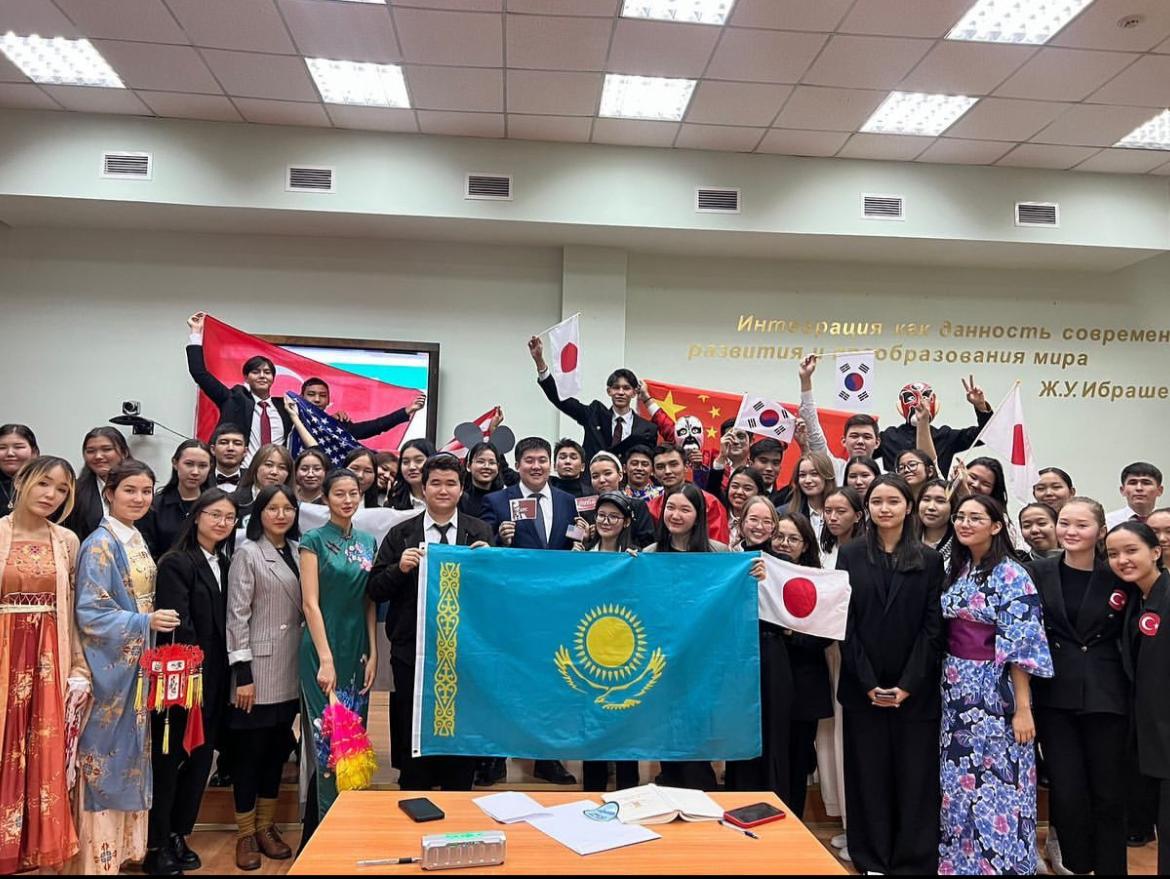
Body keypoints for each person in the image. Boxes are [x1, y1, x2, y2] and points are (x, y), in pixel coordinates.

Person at [68, 461, 181, 876]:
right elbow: (91, 612)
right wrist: (143, 621)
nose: (139, 498)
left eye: (146, 491)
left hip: (136, 662)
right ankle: (93, 859)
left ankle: (118, 854)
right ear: (109, 493)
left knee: (129, 753)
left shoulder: (134, 537)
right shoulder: (100, 543)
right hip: (110, 670)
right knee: (105, 754)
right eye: (129, 490)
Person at [939, 494, 1053, 874]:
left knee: (1001, 780)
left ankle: (1002, 864)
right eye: (960, 517)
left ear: (996, 525)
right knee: (958, 781)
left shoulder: (1012, 574)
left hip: (995, 687)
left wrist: (1023, 708)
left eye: (976, 517)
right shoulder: (956, 568)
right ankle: (960, 862)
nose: (965, 523)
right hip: (955, 687)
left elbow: (1021, 644)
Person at [836, 474, 944, 875]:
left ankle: (913, 860)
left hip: (916, 690)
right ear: (867, 508)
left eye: (893, 501)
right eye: (877, 501)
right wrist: (868, 684)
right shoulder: (850, 554)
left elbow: (933, 629)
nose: (885, 508)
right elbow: (845, 624)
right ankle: (872, 858)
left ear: (908, 507)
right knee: (868, 776)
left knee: (915, 777)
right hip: (862, 687)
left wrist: (906, 685)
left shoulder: (929, 560)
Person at [369, 454, 491, 791]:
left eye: (451, 483)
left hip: (464, 653)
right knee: (413, 726)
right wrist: (399, 569)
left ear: (461, 489)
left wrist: (490, 564)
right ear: (423, 488)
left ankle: (458, 794)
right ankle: (414, 790)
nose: (443, 490)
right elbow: (375, 589)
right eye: (435, 483)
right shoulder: (401, 534)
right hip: (412, 651)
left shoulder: (479, 532)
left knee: (459, 727)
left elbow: (496, 596)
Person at [1027, 497, 1129, 876]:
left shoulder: (1117, 573)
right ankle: (1078, 866)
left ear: (1101, 531)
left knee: (1108, 793)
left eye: (1081, 525)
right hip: (1055, 695)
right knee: (1067, 792)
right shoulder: (1038, 572)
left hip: (1107, 695)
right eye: (1065, 523)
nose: (1070, 531)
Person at [0, 456, 86, 872]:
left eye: (62, 489)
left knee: (41, 748)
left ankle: (31, 847)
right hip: (5, 649)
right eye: (44, 484)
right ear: (21, 482)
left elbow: (73, 609)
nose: (52, 495)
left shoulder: (67, 541)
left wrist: (79, 665)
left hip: (49, 655)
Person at [147, 488, 237, 876]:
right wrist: (195, 673)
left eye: (229, 517)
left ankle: (179, 833)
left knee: (200, 759)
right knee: (170, 760)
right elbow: (178, 626)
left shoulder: (225, 561)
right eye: (215, 514)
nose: (222, 522)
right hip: (183, 678)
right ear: (197, 516)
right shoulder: (176, 562)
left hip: (216, 678)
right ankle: (156, 843)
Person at [479, 437, 578, 785]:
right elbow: (483, 549)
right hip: (511, 609)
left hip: (555, 608)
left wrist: (583, 542)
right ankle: (495, 757)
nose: (536, 466)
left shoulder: (567, 501)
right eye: (529, 461)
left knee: (551, 683)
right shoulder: (497, 501)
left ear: (550, 464)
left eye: (542, 460)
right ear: (518, 465)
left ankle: (546, 757)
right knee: (504, 683)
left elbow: (573, 543)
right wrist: (499, 538)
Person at [298, 469, 378, 845]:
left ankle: (347, 828)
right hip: (321, 648)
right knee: (328, 742)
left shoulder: (368, 542)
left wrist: (373, 652)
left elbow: (369, 602)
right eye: (339, 494)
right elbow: (309, 604)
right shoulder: (313, 540)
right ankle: (323, 838)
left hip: (356, 649)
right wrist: (325, 658)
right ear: (325, 498)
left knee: (353, 743)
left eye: (353, 493)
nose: (347, 500)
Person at [227, 485, 302, 870]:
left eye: (288, 508)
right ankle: (244, 833)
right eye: (273, 508)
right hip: (257, 670)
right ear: (259, 512)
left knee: (276, 751)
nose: (281, 514)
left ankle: (265, 827)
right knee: (250, 754)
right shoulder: (248, 552)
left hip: (291, 668)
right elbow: (237, 615)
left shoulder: (299, 550)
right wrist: (242, 673)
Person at [645, 483, 728, 790]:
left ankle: (700, 792)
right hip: (663, 658)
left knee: (696, 730)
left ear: (698, 515)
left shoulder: (718, 553)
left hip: (702, 660)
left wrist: (754, 573)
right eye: (670, 507)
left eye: (685, 509)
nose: (676, 515)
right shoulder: (650, 554)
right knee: (666, 728)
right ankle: (670, 787)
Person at [566, 491, 643, 791]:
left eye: (614, 517)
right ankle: (593, 790)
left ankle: (630, 792)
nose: (606, 522)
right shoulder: (582, 556)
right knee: (593, 725)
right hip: (589, 651)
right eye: (601, 516)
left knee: (627, 724)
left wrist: (639, 568)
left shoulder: (636, 557)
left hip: (626, 652)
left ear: (626, 522)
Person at [1109, 521, 1170, 874]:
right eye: (1113, 554)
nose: (1122, 560)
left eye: (1131, 551)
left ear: (1156, 552)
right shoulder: (1133, 598)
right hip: (1146, 728)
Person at [528, 337, 657, 462]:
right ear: (609, 391)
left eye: (626, 388)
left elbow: (650, 462)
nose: (621, 392)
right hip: (591, 477)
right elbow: (561, 401)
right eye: (616, 387)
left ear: (634, 393)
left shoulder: (646, 429)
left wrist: (647, 398)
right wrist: (540, 362)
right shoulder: (594, 414)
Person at [186, 313, 290, 461]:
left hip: (276, 471)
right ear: (246, 378)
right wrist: (196, 332)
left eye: (267, 372)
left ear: (273, 378)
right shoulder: (233, 399)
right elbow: (199, 373)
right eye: (256, 372)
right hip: (241, 471)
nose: (262, 376)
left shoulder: (286, 408)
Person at [143, 439, 213, 560]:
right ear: (175, 463)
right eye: (189, 464)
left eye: (202, 466)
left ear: (210, 467)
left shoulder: (215, 504)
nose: (195, 472)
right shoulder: (155, 505)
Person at [645, 445, 730, 544]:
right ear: (653, 472)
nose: (667, 471)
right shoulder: (651, 508)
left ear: (686, 466)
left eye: (673, 464)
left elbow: (719, 549)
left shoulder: (710, 504)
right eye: (660, 467)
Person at [299, 376, 426, 441]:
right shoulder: (290, 417)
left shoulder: (336, 424)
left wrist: (406, 411)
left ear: (328, 401)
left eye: (322, 395)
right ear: (301, 397)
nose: (317, 399)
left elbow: (374, 426)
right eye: (311, 394)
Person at [62, 426, 132, 541]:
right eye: (91, 451)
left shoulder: (140, 487)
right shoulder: (74, 491)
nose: (98, 456)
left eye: (107, 449)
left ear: (124, 452)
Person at [582, 451, 655, 548]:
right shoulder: (585, 507)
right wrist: (584, 538)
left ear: (620, 475)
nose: (602, 480)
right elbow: (570, 534)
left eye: (607, 473)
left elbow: (648, 541)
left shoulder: (637, 505)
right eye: (595, 476)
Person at [231, 442, 294, 526]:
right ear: (256, 466)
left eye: (282, 467)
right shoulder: (233, 501)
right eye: (269, 465)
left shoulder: (294, 505)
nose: (274, 472)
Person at [458, 441, 517, 517]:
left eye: (492, 463)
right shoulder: (459, 499)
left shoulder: (506, 499)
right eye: (480, 462)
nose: (486, 466)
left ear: (498, 467)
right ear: (468, 466)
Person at [787, 452, 836, 538]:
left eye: (814, 474)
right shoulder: (785, 513)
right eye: (802, 475)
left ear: (827, 476)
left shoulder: (843, 512)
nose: (808, 480)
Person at [1106, 461, 1165, 528]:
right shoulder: (1108, 522)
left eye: (1146, 483)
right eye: (1132, 483)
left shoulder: (1167, 521)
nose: (1139, 488)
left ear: (1160, 490)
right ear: (1122, 490)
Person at [819, 486, 863, 569]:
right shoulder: (821, 550)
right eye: (828, 511)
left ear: (857, 516)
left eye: (841, 511)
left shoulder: (867, 552)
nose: (832, 517)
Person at [387, 439, 437, 511]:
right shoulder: (393, 503)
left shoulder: (445, 497)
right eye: (405, 462)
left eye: (419, 460)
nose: (411, 467)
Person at [917, 478, 956, 565]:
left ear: (952, 506)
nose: (931, 507)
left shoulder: (961, 544)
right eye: (926, 499)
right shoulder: (906, 537)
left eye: (940, 501)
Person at [0, 423, 38, 512]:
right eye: (2, 448)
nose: (10, 453)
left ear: (34, 452)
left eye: (19, 447)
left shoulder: (46, 481)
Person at [210, 424, 248, 491]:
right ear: (213, 449)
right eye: (224, 443)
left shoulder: (254, 479)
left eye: (237, 443)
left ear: (245, 451)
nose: (230, 448)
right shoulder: (202, 479)